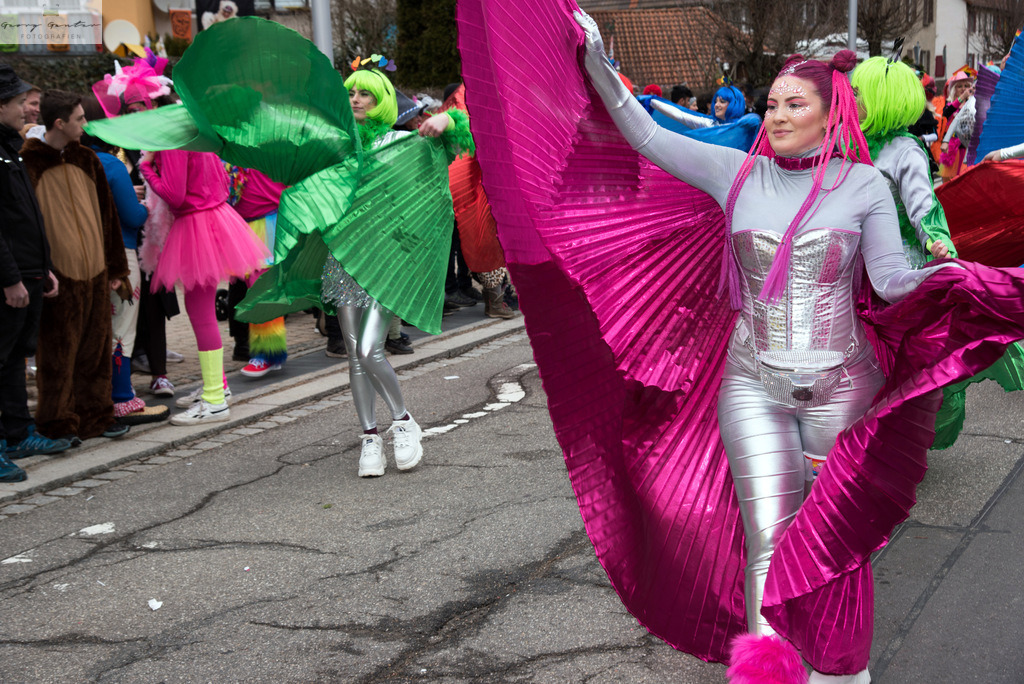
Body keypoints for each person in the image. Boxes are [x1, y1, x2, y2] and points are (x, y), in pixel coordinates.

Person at [461, 5, 1024, 682]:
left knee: (834, 547)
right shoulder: (734, 173)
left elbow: (893, 282)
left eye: (795, 104)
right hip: (751, 381)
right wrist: (594, 61)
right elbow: (642, 134)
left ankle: (842, 670)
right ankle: (770, 672)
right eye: (772, 103)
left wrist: (958, 279)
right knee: (766, 538)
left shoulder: (866, 186)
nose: (778, 115)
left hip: (841, 391)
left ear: (830, 113)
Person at [21, 90, 132, 443]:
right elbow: (25, 225)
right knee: (57, 355)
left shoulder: (89, 159)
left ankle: (96, 415)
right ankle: (56, 422)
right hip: (57, 276)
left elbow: (108, 217)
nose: (86, 124)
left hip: (96, 271)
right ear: (59, 123)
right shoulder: (29, 163)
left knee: (96, 350)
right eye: (80, 119)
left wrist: (117, 269)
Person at [140, 138, 270, 425]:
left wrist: (148, 168)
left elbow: (174, 195)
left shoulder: (172, 141)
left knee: (201, 313)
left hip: (197, 223)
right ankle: (217, 386)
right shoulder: (195, 132)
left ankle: (214, 399)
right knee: (202, 312)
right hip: (213, 218)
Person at [80, 94, 169, 426]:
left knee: (92, 329)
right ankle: (121, 398)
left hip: (81, 258)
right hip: (120, 255)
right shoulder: (110, 164)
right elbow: (132, 216)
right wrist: (144, 206)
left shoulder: (69, 161)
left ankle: (92, 397)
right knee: (121, 329)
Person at [0, 64, 70, 477]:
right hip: (8, 277)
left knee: (11, 359)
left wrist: (43, 268)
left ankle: (17, 433)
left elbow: (23, 215)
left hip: (28, 271)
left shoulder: (11, 145)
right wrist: (9, 277)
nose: (29, 111)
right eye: (20, 104)